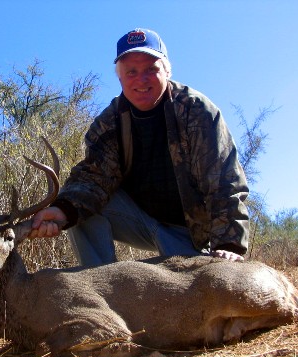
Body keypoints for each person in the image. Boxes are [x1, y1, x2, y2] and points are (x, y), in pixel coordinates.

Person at [30, 28, 249, 266]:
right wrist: (62, 211)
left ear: (167, 71)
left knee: (194, 294)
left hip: (189, 234)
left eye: (151, 70)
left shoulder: (197, 111)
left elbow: (224, 183)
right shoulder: (109, 122)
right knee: (75, 206)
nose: (141, 80)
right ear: (120, 77)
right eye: (131, 71)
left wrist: (228, 245)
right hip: (139, 221)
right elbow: (93, 179)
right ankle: (101, 289)